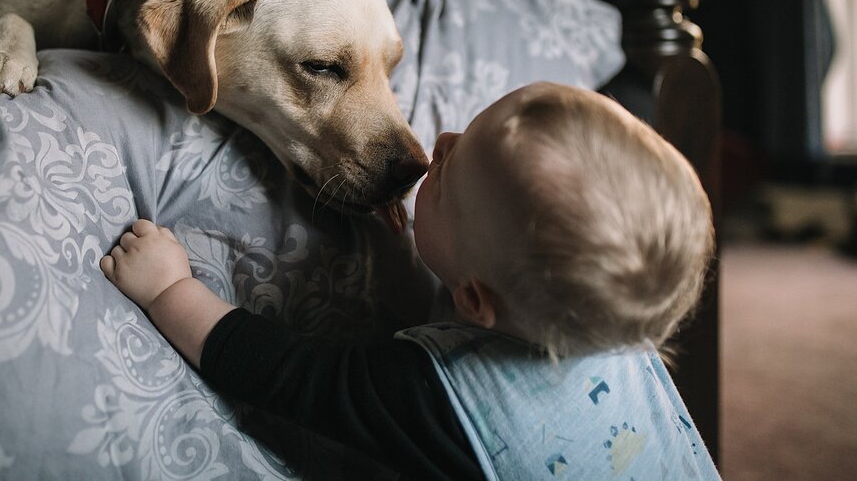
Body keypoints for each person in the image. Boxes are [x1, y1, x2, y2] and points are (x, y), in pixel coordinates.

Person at [100, 81, 721, 480]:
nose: (438, 145)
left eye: (445, 176)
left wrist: (168, 291)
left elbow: (289, 375)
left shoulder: (430, 392)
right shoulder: (623, 339)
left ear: (474, 299)